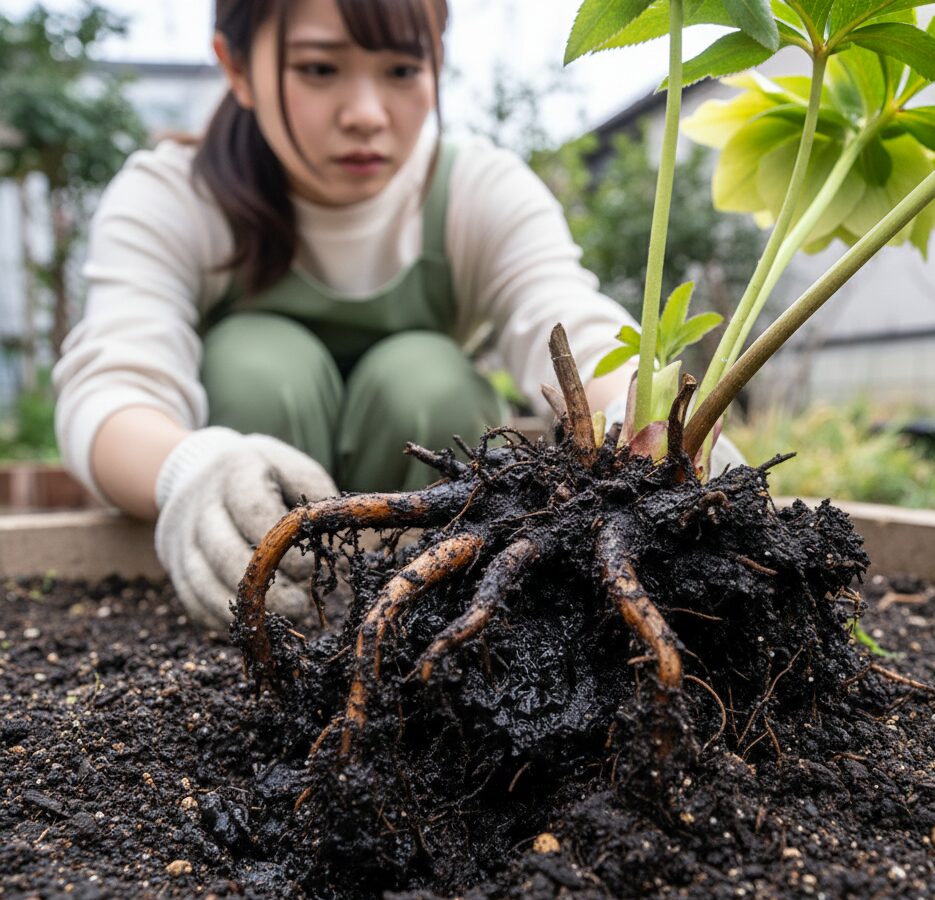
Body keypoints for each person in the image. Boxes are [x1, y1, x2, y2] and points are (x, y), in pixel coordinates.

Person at [54, 0, 740, 630]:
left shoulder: (478, 190)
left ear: (438, 60)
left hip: (422, 593)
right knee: (256, 367)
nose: (366, 114)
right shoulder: (175, 195)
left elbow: (570, 324)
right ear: (236, 67)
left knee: (428, 381)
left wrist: (660, 436)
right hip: (244, 594)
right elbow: (111, 389)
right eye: (319, 68)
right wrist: (190, 469)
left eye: (403, 69)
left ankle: (417, 625)